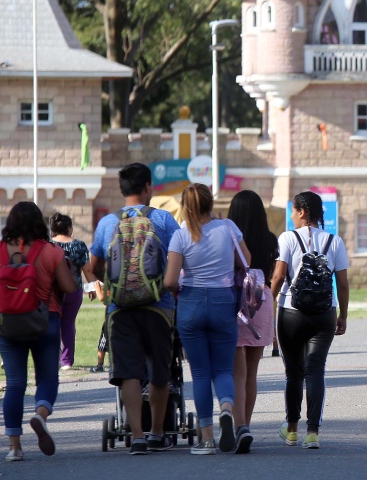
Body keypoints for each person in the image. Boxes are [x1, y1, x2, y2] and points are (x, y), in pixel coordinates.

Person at [90, 163, 180, 455]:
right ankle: (156, 431)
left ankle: (137, 436)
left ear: (122, 189)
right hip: (159, 305)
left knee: (128, 372)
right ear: (148, 188)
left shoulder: (107, 224)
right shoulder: (165, 220)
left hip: (120, 308)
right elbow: (181, 257)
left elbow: (94, 266)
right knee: (159, 371)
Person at [0, 202, 77, 461]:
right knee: (47, 378)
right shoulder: (51, 252)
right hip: (46, 321)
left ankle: (14, 447)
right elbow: (68, 287)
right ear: (39, 223)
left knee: (14, 384)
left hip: (8, 325)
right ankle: (40, 415)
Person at [163, 183, 250, 455]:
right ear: (210, 203)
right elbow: (246, 259)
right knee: (223, 370)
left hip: (190, 303)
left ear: (186, 206)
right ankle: (226, 408)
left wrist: (181, 287)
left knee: (199, 372)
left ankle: (207, 438)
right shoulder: (228, 228)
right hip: (223, 300)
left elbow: (169, 281)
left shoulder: (181, 235)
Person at [271, 191, 349, 449]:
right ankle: (313, 432)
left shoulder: (288, 238)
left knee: (293, 373)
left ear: (303, 212)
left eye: (293, 210)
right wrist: (343, 315)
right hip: (324, 313)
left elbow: (279, 277)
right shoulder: (334, 241)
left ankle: (292, 429)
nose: (291, 215)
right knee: (316, 370)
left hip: (291, 312)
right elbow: (343, 284)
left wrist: (264, 306)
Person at [227, 189, 279, 454]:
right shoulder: (270, 240)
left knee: (238, 372)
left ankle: (239, 426)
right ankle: (245, 425)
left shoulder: (230, 239)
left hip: (236, 301)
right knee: (252, 372)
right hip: (262, 300)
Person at [50, 213, 96, 371]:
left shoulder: (48, 245)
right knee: (68, 324)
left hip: (52, 292)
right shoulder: (79, 245)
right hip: (73, 290)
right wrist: (92, 287)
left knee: (53, 324)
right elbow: (88, 270)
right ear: (69, 228)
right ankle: (67, 361)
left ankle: (52, 358)